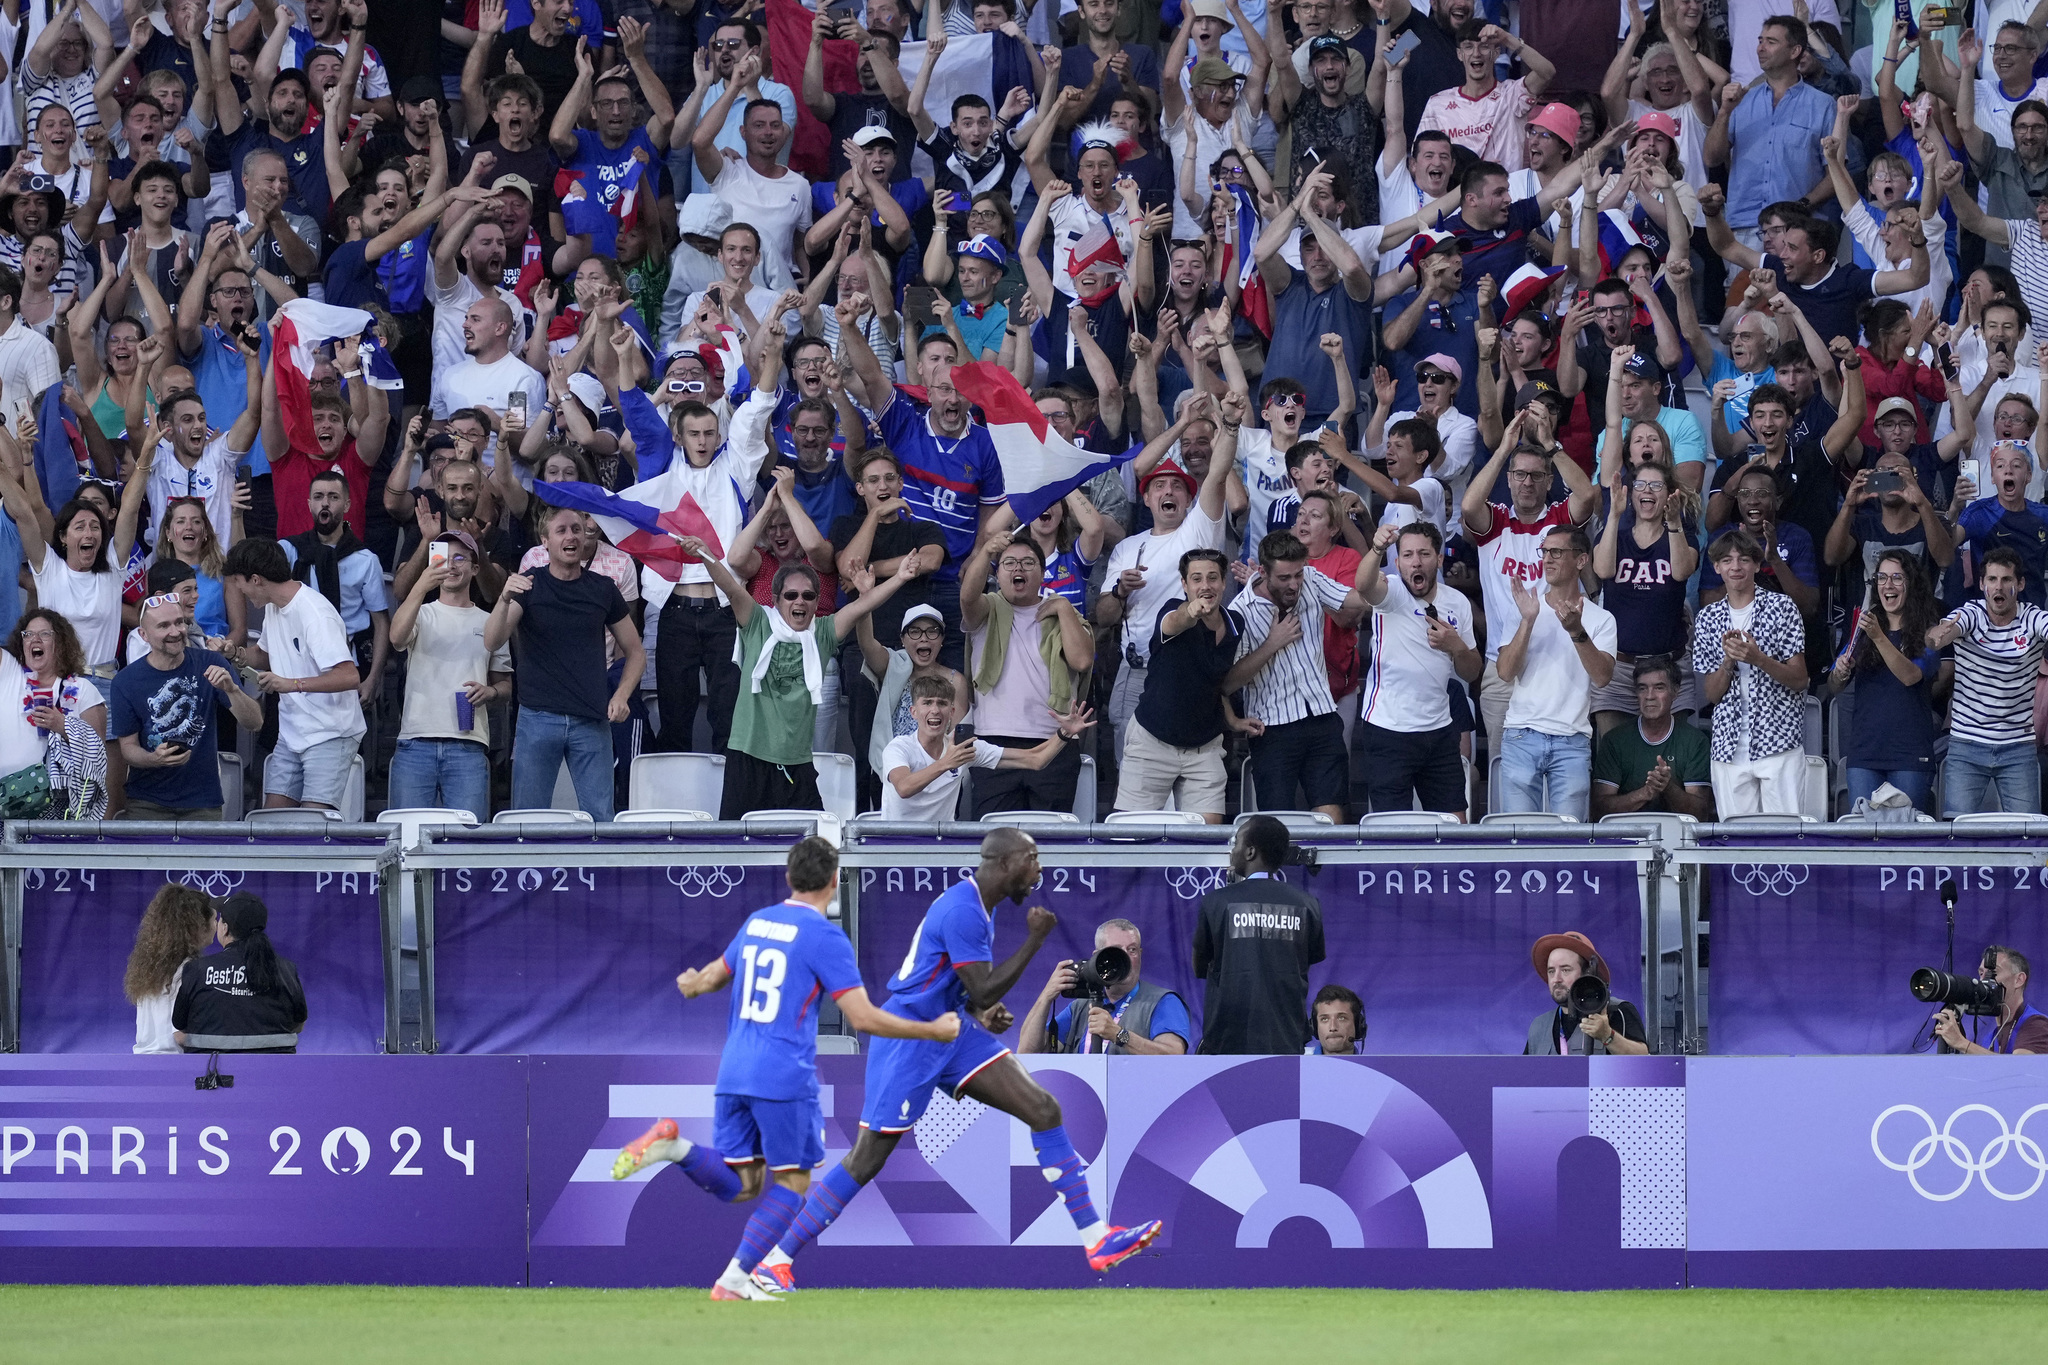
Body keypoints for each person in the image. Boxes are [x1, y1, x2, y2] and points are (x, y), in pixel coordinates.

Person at [754, 828, 1164, 1290]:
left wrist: (979, 1011)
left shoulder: (976, 908)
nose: (1039, 871)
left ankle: (1096, 1239)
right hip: (911, 1038)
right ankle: (776, 1258)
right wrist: (1033, 941)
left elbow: (966, 988)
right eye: (1032, 859)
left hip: (951, 1028)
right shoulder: (963, 910)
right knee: (866, 1160)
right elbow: (983, 986)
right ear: (1005, 863)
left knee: (1044, 1109)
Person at [608, 836, 963, 1301]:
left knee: (743, 1184)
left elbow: (711, 978)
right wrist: (933, 1031)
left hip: (733, 1069)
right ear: (835, 882)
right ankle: (734, 1280)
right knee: (793, 1185)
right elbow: (862, 1018)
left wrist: (691, 985)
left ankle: (675, 1147)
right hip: (782, 1073)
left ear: (788, 878)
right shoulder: (824, 936)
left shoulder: (759, 922)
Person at [674, 538, 910, 819]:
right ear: (776, 600)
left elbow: (861, 607)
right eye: (791, 595)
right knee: (736, 845)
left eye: (808, 596)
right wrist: (705, 554)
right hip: (747, 757)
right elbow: (730, 587)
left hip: (797, 763)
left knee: (813, 848)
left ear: (815, 603)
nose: (800, 601)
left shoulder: (822, 632)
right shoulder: (758, 622)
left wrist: (901, 577)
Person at [486, 505, 646, 821]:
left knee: (600, 818)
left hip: (591, 718)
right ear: (544, 541)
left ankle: (597, 872)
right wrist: (504, 598)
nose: (572, 536)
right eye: (561, 530)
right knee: (526, 821)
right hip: (537, 718)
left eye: (577, 529)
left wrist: (621, 695)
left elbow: (636, 652)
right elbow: (492, 641)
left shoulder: (602, 588)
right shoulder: (529, 584)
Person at [1224, 531, 1370, 820]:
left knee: (1332, 811)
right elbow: (1228, 682)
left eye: (1298, 575)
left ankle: (1330, 868)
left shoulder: (1312, 580)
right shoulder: (1239, 611)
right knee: (1278, 819)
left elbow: (1353, 599)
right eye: (1284, 578)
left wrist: (1389, 591)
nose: (1294, 584)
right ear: (1263, 572)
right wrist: (1272, 643)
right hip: (1272, 728)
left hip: (1322, 716)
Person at [220, 539, 366, 813]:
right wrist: (234, 653)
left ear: (255, 579)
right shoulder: (274, 607)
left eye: (239, 581)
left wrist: (291, 684)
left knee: (312, 824)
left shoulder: (315, 613)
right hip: (291, 732)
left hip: (330, 733)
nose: (238, 589)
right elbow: (265, 655)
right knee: (271, 821)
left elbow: (349, 676)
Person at [958, 531, 1094, 816]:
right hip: (992, 743)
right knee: (994, 838)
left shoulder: (1062, 612)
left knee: (1051, 840)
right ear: (998, 572)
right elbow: (968, 597)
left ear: (1042, 572)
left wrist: (1063, 608)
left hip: (1055, 740)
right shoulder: (988, 608)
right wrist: (984, 554)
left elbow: (1081, 660)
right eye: (1009, 563)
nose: (1018, 568)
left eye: (1028, 563)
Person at [1115, 547, 1250, 821]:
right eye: (1196, 578)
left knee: (1207, 842)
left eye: (1213, 578)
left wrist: (1233, 720)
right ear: (1184, 584)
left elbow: (1215, 681)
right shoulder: (1170, 611)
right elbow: (1176, 620)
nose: (1205, 585)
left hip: (1205, 747)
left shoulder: (1234, 622)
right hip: (1152, 741)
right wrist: (1191, 611)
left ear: (1224, 583)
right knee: (1131, 839)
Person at [1357, 521, 1480, 815]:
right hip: (1388, 728)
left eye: (1424, 554)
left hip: (1439, 729)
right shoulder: (1390, 591)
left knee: (1453, 823)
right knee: (1393, 829)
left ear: (1438, 560)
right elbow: (1362, 585)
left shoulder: (1458, 603)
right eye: (1408, 555)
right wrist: (1376, 548)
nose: (1416, 562)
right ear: (1397, 563)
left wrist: (1456, 646)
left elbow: (1472, 672)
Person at [1495, 525, 1616, 816]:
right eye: (1545, 551)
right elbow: (1505, 672)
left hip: (1572, 740)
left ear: (1581, 560)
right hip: (1521, 735)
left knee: (1570, 841)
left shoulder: (1601, 618)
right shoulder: (1526, 607)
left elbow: (1602, 677)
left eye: (1557, 552)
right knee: (1518, 837)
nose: (1547, 559)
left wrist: (1576, 631)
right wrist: (1527, 621)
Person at [389, 532, 512, 817]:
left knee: (466, 843)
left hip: (468, 746)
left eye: (460, 558)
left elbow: (504, 684)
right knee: (408, 839)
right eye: (443, 559)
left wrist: (490, 692)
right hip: (415, 742)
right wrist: (421, 584)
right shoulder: (421, 613)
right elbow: (396, 639)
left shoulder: (489, 621)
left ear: (475, 568)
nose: (452, 566)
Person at [109, 592, 262, 821]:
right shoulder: (126, 681)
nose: (175, 631)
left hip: (202, 802)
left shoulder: (211, 662)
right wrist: (154, 759)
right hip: (147, 803)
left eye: (179, 622)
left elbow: (255, 722)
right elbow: (128, 749)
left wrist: (233, 690)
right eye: (163, 626)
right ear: (144, 635)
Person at [1690, 528, 1811, 817]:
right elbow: (1711, 694)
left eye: (1744, 559)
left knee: (1786, 841)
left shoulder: (1782, 608)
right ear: (1717, 567)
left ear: (1757, 565)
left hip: (1779, 742)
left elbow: (1800, 680)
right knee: (1736, 844)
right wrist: (1729, 661)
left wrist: (1758, 658)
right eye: (1727, 560)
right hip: (1728, 748)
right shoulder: (1708, 618)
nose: (1736, 567)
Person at [1926, 547, 2048, 815]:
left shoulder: (2033, 617)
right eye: (1992, 579)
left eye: (2006, 580)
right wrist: (1938, 636)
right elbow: (1942, 634)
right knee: (1958, 835)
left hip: (2019, 746)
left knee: (2027, 838)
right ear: (1981, 584)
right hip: (1966, 744)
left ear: (2020, 584)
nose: (1999, 587)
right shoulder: (1971, 613)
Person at [1827, 549, 1948, 815]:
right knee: (1862, 839)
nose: (1888, 585)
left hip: (1910, 755)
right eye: (1881, 578)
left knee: (1906, 840)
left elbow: (1910, 676)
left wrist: (1878, 636)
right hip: (1864, 753)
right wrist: (1841, 672)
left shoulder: (1928, 633)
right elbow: (1834, 686)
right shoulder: (1865, 628)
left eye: (1896, 578)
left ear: (1911, 584)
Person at [1193, 815, 1326, 1054]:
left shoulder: (1215, 901)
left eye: (1236, 843)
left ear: (1250, 852)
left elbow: (1199, 966)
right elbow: (1308, 960)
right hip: (1286, 1035)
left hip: (1227, 1037)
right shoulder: (1308, 904)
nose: (1232, 850)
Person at [880, 673, 1094, 821]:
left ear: (952, 712)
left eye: (942, 703)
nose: (935, 710)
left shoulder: (962, 749)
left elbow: (1034, 760)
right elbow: (904, 788)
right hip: (896, 840)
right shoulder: (899, 747)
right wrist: (947, 763)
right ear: (913, 712)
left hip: (940, 843)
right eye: (927, 703)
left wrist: (1064, 733)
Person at [1018, 918, 1192, 1056]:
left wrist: (1119, 1035)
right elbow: (1027, 1052)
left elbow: (1174, 1055)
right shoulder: (1081, 1006)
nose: (1126, 958)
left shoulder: (1163, 1001)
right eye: (1116, 951)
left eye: (1132, 950)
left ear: (1140, 954)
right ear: (1097, 957)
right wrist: (1046, 997)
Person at [171, 892, 308, 1055]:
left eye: (220, 920)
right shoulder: (287, 969)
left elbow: (179, 1024)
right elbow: (298, 1023)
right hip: (274, 1075)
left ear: (225, 928)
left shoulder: (196, 969)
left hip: (212, 1074)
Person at [8, 608, 108, 819]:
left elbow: (98, 755)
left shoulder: (83, 689)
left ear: (60, 644)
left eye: (45, 634)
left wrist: (63, 726)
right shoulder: (10, 687)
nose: (35, 639)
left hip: (62, 804)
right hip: (12, 798)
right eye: (28, 635)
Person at [1590, 656, 1715, 820]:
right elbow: (1599, 811)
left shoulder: (1695, 741)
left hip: (1678, 839)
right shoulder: (1614, 740)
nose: (1650, 696)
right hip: (1626, 838)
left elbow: (1700, 814)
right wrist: (1646, 793)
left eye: (1659, 688)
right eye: (1642, 688)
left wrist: (1668, 787)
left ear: (1675, 692)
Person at [1525, 931, 1649, 1056]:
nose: (1556, 978)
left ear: (1587, 973)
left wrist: (1607, 1036)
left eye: (1565, 970)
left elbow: (1644, 1059)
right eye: (1551, 971)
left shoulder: (1618, 1011)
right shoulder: (1538, 1026)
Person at [124, 881, 214, 1055]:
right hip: (175, 1067)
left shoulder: (149, 968)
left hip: (141, 1065)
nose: (216, 926)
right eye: (214, 919)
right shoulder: (190, 970)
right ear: (198, 926)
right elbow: (180, 1035)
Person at [1934, 944, 2048, 1055]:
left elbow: (2020, 1069)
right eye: (1981, 974)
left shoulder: (2037, 1024)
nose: (1983, 981)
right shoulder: (1990, 1038)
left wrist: (1961, 1043)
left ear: (2019, 980)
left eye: (1993, 973)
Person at [1306, 982, 1366, 1056]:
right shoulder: (1294, 1062)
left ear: (1357, 1025)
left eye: (1341, 1018)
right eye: (1324, 1019)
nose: (1333, 1027)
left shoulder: (1375, 1066)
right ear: (1314, 1026)